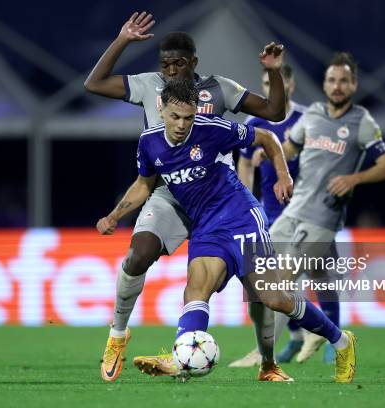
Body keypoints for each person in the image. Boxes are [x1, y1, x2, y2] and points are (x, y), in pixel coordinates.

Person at [97, 79, 357, 383]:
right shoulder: (149, 142)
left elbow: (268, 138)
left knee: (273, 298)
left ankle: (341, 341)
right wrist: (116, 215)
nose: (182, 125)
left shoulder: (213, 128)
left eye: (188, 117)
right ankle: (182, 356)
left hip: (240, 217)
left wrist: (283, 175)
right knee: (196, 289)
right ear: (161, 109)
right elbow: (144, 184)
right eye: (175, 117)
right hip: (205, 227)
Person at [84, 11, 287, 382]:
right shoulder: (148, 85)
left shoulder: (219, 88)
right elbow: (94, 84)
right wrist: (123, 40)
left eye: (179, 63)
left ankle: (268, 361)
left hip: (219, 198)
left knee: (258, 289)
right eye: (165, 64)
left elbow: (273, 112)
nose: (171, 70)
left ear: (194, 63)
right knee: (138, 254)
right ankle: (117, 335)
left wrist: (273, 71)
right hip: (168, 192)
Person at [260, 52, 385, 364]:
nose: (337, 86)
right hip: (293, 210)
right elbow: (291, 147)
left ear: (354, 85)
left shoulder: (362, 121)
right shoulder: (313, 115)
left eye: (343, 81)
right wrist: (276, 160)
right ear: (324, 84)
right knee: (304, 274)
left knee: (284, 279)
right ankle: (331, 337)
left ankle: (267, 358)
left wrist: (354, 178)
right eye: (332, 80)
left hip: (323, 216)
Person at [229, 64, 315, 368]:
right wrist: (244, 204)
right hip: (268, 216)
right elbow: (246, 167)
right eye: (265, 83)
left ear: (289, 86)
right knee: (267, 286)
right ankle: (307, 331)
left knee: (278, 284)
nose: (269, 88)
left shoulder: (307, 120)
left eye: (274, 82)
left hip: (304, 214)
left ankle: (265, 352)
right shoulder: (255, 123)